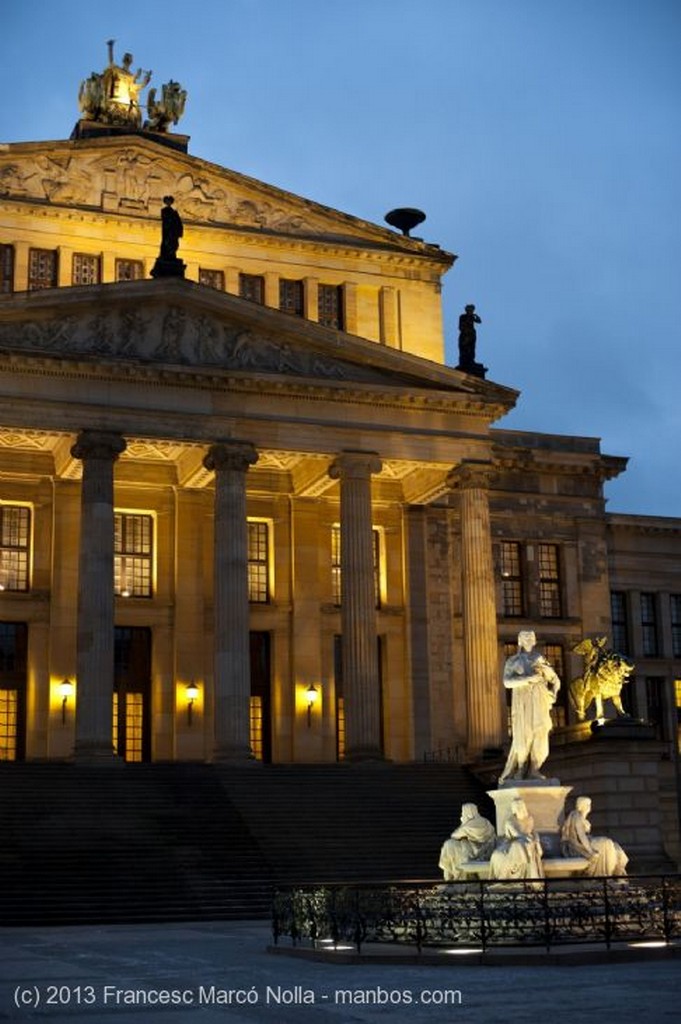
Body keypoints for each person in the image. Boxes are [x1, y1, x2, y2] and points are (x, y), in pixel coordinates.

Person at [499, 630, 561, 784]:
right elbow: (507, 682)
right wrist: (528, 678)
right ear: (519, 641)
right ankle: (521, 767)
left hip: (539, 699)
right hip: (522, 701)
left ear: (534, 641)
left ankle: (534, 768)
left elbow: (555, 679)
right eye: (525, 638)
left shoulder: (540, 660)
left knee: (540, 731)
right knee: (523, 732)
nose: (528, 640)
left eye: (531, 638)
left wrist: (553, 693)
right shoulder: (512, 661)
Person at [560, 796, 628, 877]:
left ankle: (612, 874)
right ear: (582, 805)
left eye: (590, 804)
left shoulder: (581, 817)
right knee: (606, 843)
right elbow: (581, 836)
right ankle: (602, 875)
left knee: (613, 846)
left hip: (586, 842)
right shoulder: (576, 816)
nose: (589, 807)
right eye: (588, 804)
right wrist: (590, 851)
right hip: (579, 846)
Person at [489, 798, 544, 881]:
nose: (520, 809)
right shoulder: (510, 821)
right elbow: (517, 834)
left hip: (526, 841)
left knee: (526, 844)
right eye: (518, 807)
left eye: (521, 806)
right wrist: (528, 838)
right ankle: (524, 865)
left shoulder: (530, 819)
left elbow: (533, 831)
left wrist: (537, 840)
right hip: (512, 842)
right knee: (518, 845)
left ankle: (527, 869)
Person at [438, 803, 496, 880]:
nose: (462, 814)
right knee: (453, 845)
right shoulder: (486, 822)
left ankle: (451, 877)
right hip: (485, 850)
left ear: (467, 812)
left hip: (475, 852)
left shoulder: (469, 825)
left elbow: (454, 835)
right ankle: (452, 875)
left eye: (463, 812)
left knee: (449, 844)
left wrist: (463, 823)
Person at [457, 304, 481, 370]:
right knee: (465, 348)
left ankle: (471, 361)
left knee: (472, 348)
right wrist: (465, 330)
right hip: (465, 334)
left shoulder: (472, 316)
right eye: (470, 310)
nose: (472, 311)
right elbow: (460, 326)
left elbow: (479, 321)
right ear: (467, 310)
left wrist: (476, 316)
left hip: (472, 334)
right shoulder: (463, 316)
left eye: (472, 310)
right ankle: (464, 362)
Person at [159, 196, 183, 261]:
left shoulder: (174, 212)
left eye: (170, 201)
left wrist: (179, 232)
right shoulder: (164, 210)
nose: (168, 202)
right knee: (167, 243)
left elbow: (178, 222)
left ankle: (171, 254)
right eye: (167, 201)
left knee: (173, 244)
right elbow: (166, 219)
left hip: (172, 231)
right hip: (168, 230)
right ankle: (167, 254)